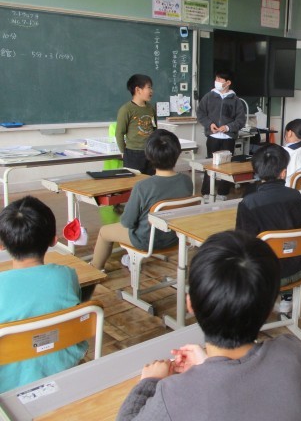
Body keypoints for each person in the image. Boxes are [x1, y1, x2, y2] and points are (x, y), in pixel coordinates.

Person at [116, 231, 301, 421]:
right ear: (270, 309)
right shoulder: (292, 351)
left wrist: (149, 382)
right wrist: (207, 364)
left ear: (190, 304)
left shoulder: (174, 396)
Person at [0, 196, 86, 392]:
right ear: (54, 240)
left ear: (2, 244)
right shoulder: (67, 276)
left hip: (7, 387)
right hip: (61, 370)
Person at [90, 129, 193, 270]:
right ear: (178, 153)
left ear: (148, 155)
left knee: (104, 231)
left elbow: (127, 222)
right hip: (175, 237)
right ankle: (129, 258)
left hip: (145, 240)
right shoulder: (186, 181)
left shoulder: (143, 186)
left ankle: (95, 268)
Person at [235, 143, 301, 314]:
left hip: (265, 275)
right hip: (297, 269)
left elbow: (243, 242)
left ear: (256, 172)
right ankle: (287, 297)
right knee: (287, 245)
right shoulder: (296, 196)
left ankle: (250, 304)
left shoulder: (249, 203)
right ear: (283, 173)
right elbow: (300, 231)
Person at [196, 71, 246, 200]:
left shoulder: (235, 100)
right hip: (213, 137)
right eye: (216, 79)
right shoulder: (209, 96)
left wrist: (228, 127)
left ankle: (223, 193)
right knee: (210, 164)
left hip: (228, 138)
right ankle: (206, 191)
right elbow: (200, 113)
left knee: (226, 165)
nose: (217, 81)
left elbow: (241, 120)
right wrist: (209, 124)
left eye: (220, 79)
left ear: (228, 82)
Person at [116, 74, 157, 175]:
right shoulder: (126, 109)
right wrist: (123, 152)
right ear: (138, 90)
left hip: (150, 151)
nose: (151, 91)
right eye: (149, 87)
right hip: (133, 153)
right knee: (134, 181)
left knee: (150, 179)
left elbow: (155, 129)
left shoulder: (151, 108)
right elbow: (119, 133)